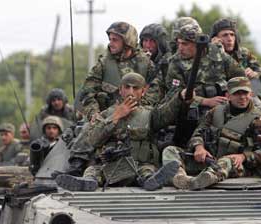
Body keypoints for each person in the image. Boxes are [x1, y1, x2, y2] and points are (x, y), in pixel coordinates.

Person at [55, 72, 191, 192]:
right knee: (92, 172)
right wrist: (115, 116)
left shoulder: (150, 115)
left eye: (135, 88)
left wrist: (180, 96)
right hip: (109, 167)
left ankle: (152, 181)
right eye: (127, 87)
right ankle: (87, 182)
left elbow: (167, 112)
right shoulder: (106, 114)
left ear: (143, 91)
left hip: (140, 166)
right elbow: (92, 140)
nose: (130, 92)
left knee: (147, 172)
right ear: (120, 90)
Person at [163, 77, 261, 190]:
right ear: (228, 96)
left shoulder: (260, 120)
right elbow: (198, 133)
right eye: (237, 93)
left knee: (227, 161)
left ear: (251, 94)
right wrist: (199, 147)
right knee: (170, 150)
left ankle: (198, 182)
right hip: (210, 160)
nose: (242, 97)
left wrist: (243, 156)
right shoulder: (215, 112)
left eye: (245, 93)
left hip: (237, 166)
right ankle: (180, 178)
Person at [165, 22, 245, 147]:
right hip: (193, 110)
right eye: (179, 43)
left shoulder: (217, 53)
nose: (180, 47)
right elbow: (176, 95)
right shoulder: (175, 62)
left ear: (197, 44)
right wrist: (205, 101)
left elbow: (240, 76)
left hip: (224, 104)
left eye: (185, 44)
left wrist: (231, 96)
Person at [79, 21, 160, 120]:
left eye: (115, 40)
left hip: (139, 118)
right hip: (109, 119)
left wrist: (135, 107)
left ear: (127, 42)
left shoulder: (146, 64)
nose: (111, 43)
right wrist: (94, 114)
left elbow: (156, 91)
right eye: (110, 40)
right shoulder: (103, 64)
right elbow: (87, 93)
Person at [139, 23, 171, 97]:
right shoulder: (137, 59)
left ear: (160, 43)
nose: (148, 45)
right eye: (145, 40)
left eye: (152, 41)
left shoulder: (168, 62)